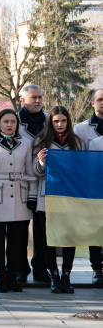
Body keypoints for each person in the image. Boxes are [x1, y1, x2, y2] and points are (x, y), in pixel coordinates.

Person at [0, 108, 37, 293]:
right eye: (6, 121)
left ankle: (13, 278)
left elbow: (30, 172)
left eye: (13, 121)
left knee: (16, 242)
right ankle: (2, 278)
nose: (10, 125)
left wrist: (32, 196)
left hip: (20, 198)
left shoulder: (26, 143)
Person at [32, 105, 83, 294]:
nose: (60, 124)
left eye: (63, 121)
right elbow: (34, 173)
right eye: (56, 121)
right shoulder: (40, 141)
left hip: (70, 197)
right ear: (50, 122)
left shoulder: (77, 141)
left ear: (68, 122)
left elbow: (83, 170)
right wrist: (42, 162)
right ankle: (53, 276)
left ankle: (66, 276)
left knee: (69, 237)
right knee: (49, 239)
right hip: (48, 197)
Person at [14, 84, 49, 284]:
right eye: (34, 97)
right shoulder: (14, 120)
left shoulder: (48, 120)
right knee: (19, 228)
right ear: (23, 100)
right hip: (20, 182)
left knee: (42, 229)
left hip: (43, 181)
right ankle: (20, 269)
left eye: (40, 97)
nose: (38, 101)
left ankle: (41, 269)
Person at [79, 90, 103, 286]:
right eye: (100, 100)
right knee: (96, 230)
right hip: (92, 189)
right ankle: (97, 268)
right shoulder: (80, 129)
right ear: (92, 103)